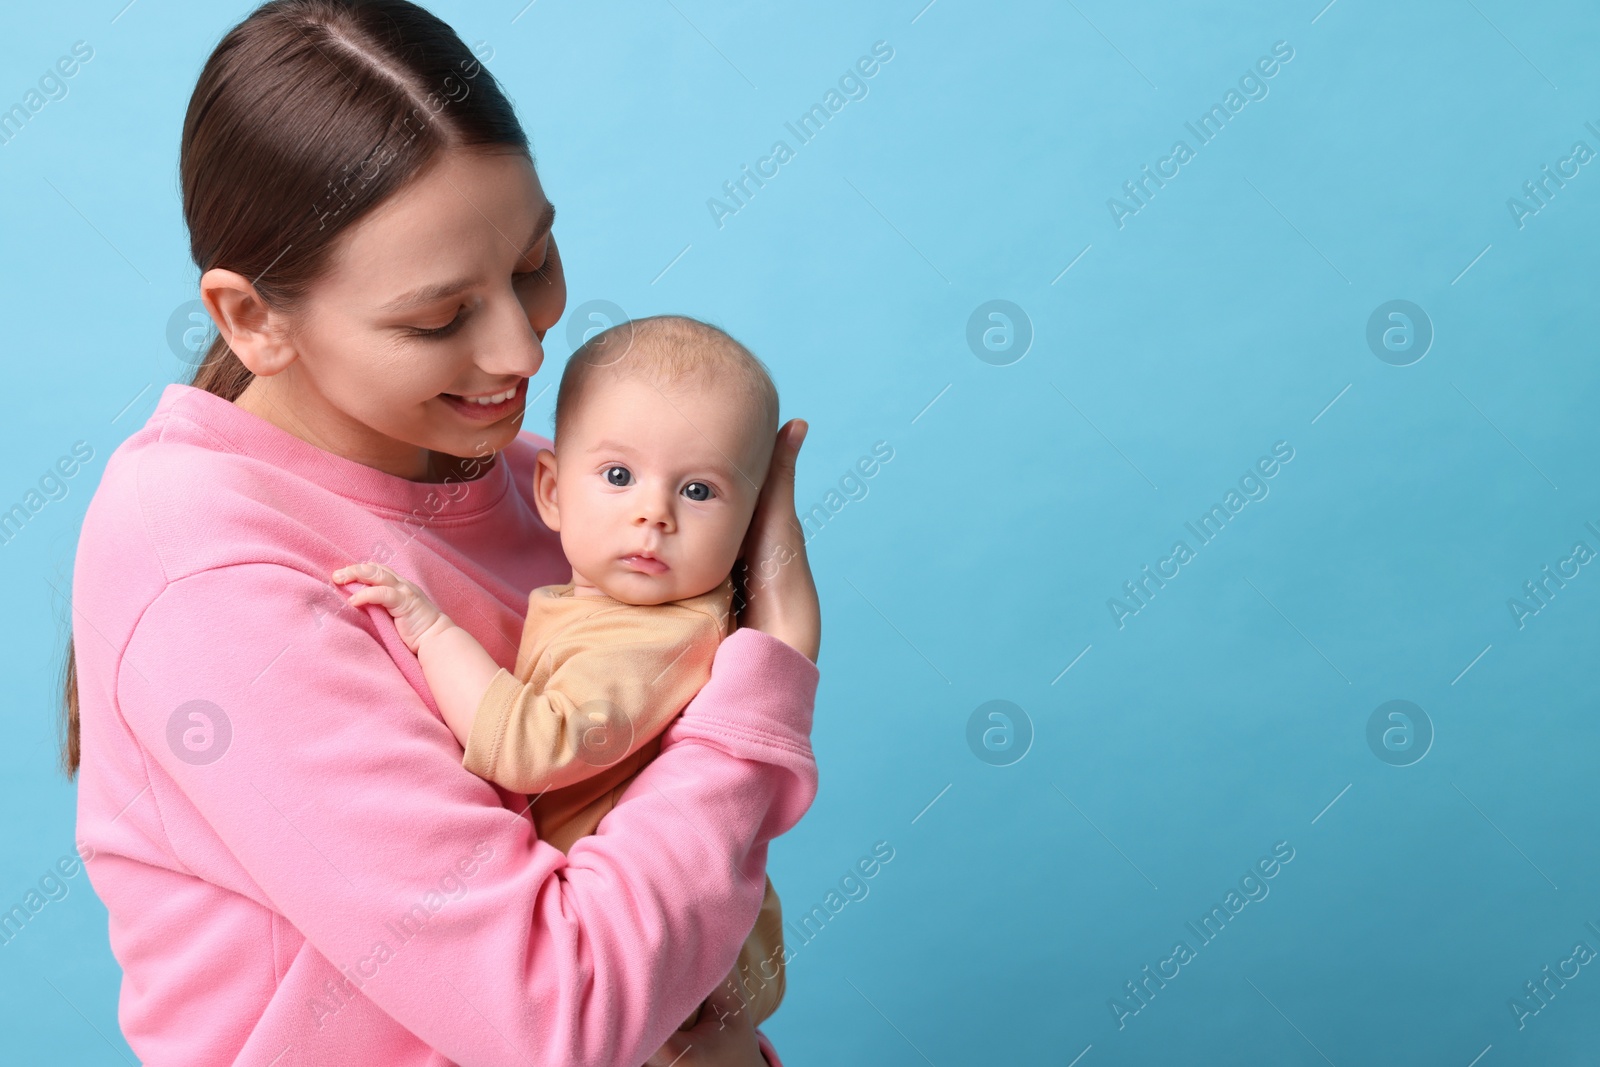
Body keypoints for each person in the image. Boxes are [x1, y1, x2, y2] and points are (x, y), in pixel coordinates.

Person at [60, 2, 821, 1064]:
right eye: (436, 319)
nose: (520, 350)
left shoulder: (537, 486)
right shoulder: (208, 579)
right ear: (250, 319)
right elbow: (562, 1007)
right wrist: (765, 676)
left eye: (534, 261)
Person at [330, 315, 796, 1031]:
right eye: (619, 475)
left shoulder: (660, 636)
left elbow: (533, 747)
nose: (653, 514)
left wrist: (433, 631)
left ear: (751, 525)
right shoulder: (616, 607)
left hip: (665, 969)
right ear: (550, 491)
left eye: (699, 491)